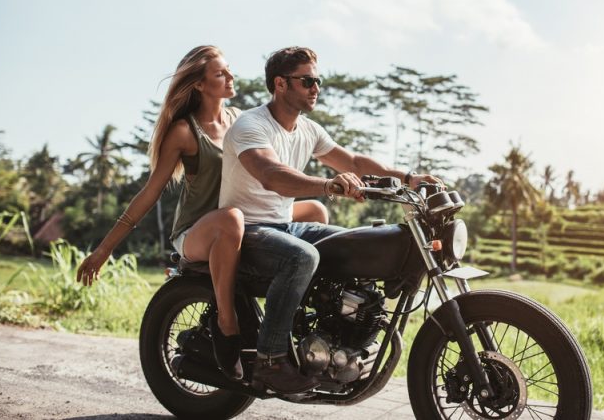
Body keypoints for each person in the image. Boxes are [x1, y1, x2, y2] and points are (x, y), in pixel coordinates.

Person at [75, 45, 328, 382]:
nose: (231, 76)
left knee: (315, 210)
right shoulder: (185, 131)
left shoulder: (242, 119)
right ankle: (227, 322)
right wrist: (104, 249)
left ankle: (287, 316)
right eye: (220, 73)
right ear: (199, 84)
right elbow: (150, 193)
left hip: (247, 222)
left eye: (229, 70)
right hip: (200, 229)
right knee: (231, 218)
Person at [219, 46, 441, 394]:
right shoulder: (252, 125)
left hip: (285, 225)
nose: (315, 87)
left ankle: (339, 340)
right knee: (301, 257)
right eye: (307, 80)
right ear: (280, 84)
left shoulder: (308, 130)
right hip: (247, 230)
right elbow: (271, 175)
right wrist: (327, 185)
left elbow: (351, 161)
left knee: (358, 247)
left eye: (317, 80)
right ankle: (271, 360)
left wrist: (408, 177)